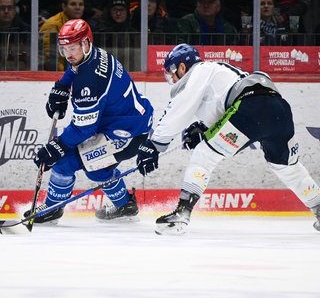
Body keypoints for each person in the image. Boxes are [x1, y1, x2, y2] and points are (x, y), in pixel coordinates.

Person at [136, 43, 320, 235]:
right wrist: (205, 130)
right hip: (279, 110)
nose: (172, 79)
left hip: (251, 109)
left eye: (171, 73)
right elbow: (227, 106)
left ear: (182, 67)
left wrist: (154, 144)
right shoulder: (221, 72)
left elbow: (179, 109)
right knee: (288, 167)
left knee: (204, 155)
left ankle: (181, 215)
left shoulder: (200, 70)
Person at [24, 19, 154, 224]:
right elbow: (74, 69)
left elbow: (84, 128)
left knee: (64, 161)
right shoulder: (90, 55)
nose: (68, 54)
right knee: (97, 168)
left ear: (85, 43)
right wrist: (62, 86)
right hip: (128, 124)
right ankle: (124, 205)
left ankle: (52, 208)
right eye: (64, 48)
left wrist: (56, 147)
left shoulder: (90, 81)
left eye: (72, 48)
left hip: (128, 134)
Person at [39, 0, 85, 71]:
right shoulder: (52, 24)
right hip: (54, 74)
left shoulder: (81, 25)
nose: (78, 7)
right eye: (73, 4)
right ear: (64, 6)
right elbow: (50, 58)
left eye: (81, 4)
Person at [0, 0, 30, 70]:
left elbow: (37, 59)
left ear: (14, 10)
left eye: (9, 8)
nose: (6, 11)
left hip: (20, 75)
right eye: (2, 8)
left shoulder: (26, 31)